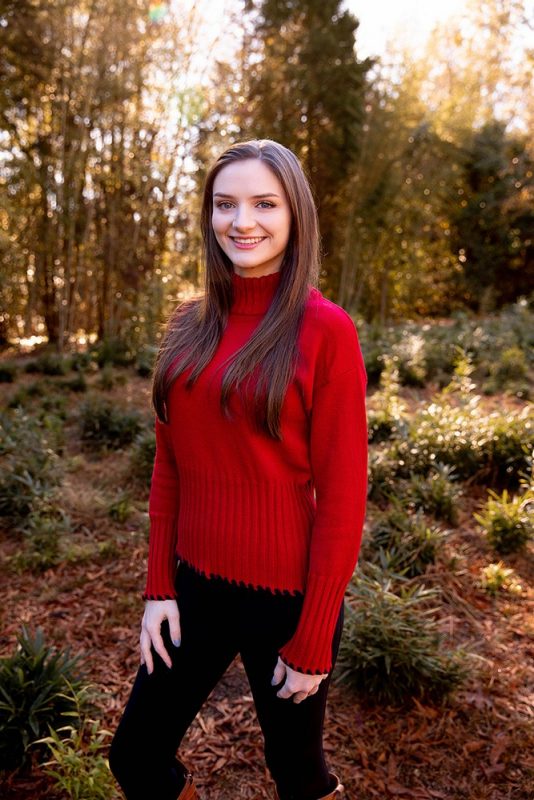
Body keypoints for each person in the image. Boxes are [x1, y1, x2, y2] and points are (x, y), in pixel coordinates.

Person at [108, 138, 368, 800]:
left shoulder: (325, 331)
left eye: (263, 203)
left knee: (297, 773)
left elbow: (342, 497)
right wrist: (158, 588)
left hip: (288, 598)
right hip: (193, 589)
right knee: (135, 758)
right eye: (225, 204)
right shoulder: (187, 324)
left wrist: (313, 637)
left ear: (295, 216)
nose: (241, 221)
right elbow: (170, 467)